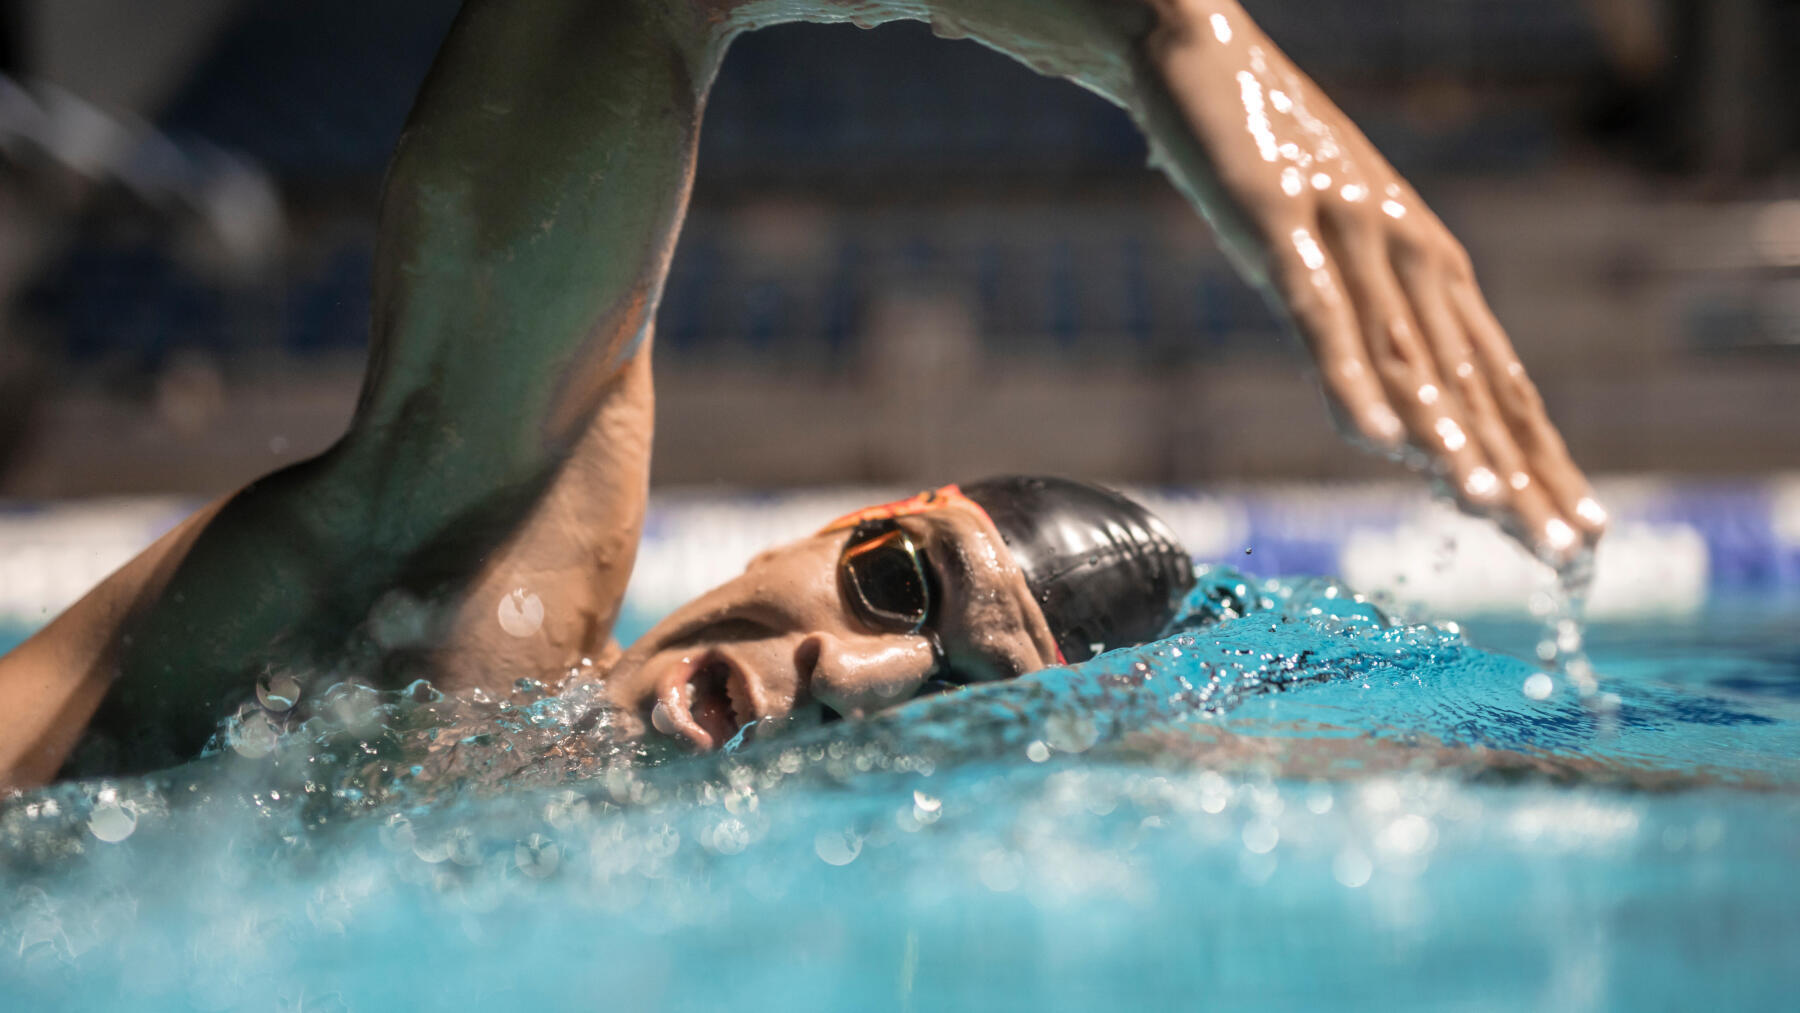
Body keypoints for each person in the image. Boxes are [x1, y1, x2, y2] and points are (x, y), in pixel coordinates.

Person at [0, 0, 1604, 790]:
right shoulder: (445, 603)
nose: (847, 672)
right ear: (847, 524)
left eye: (965, 696)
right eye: (898, 583)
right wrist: (1165, 28)